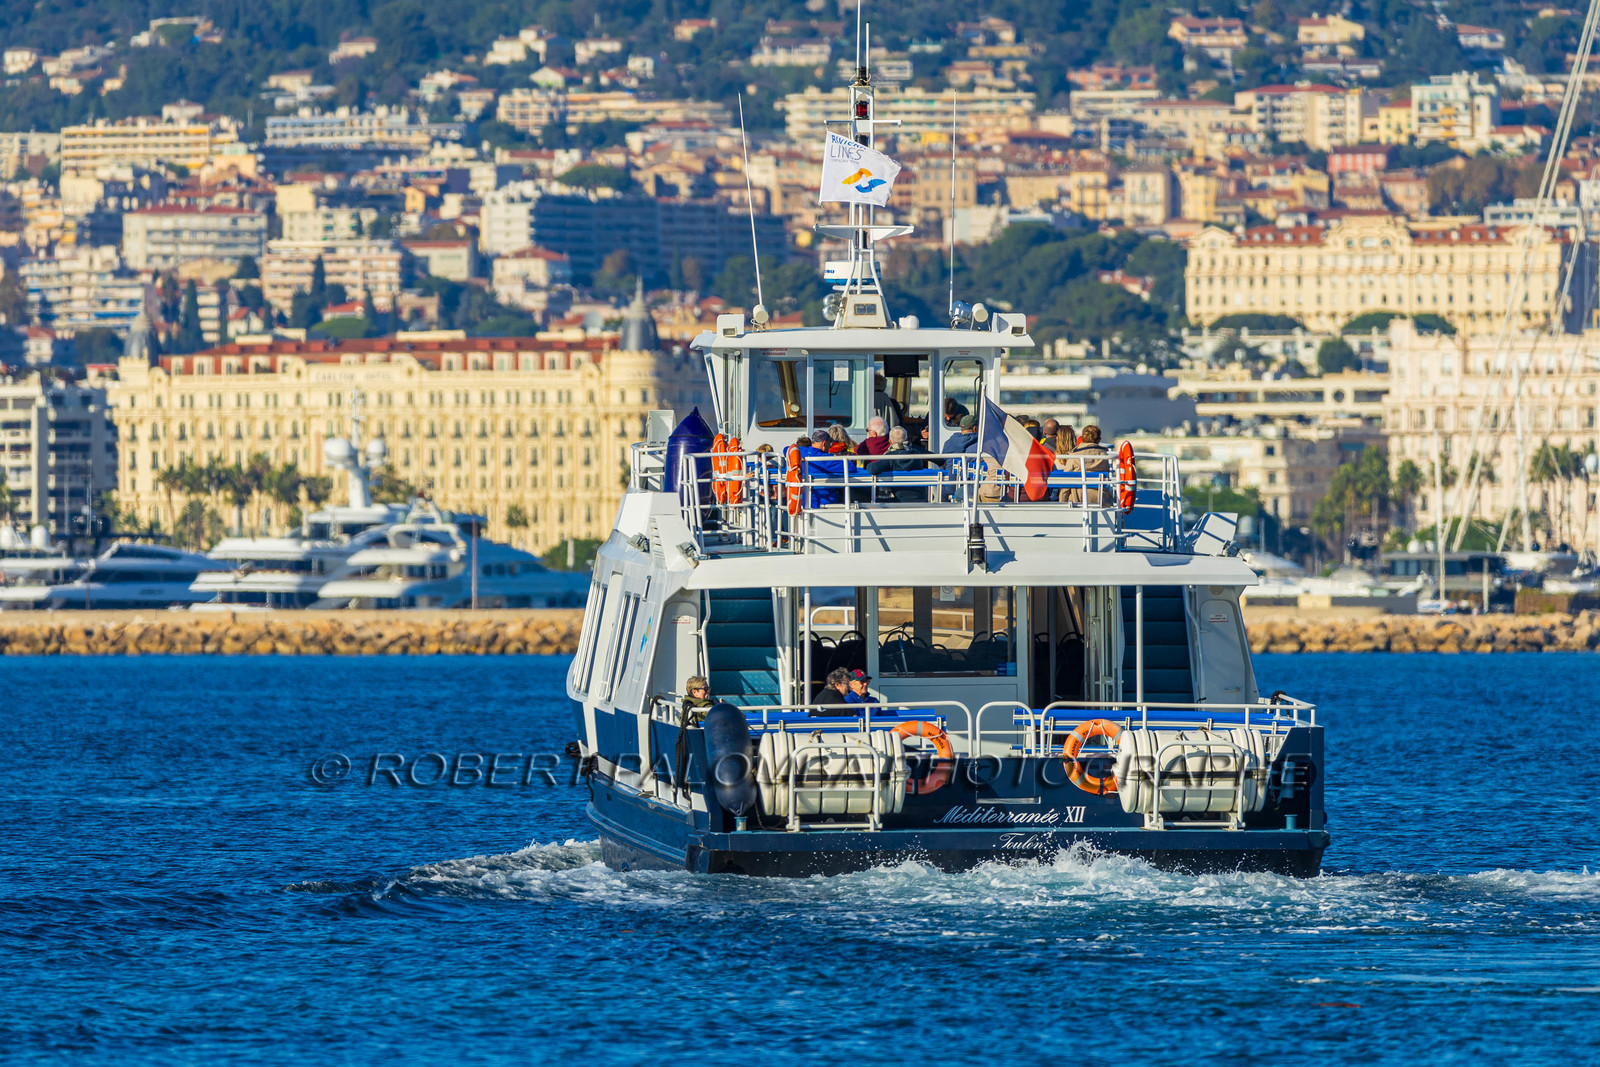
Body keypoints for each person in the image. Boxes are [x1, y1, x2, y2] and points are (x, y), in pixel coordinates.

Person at [866, 426, 930, 502]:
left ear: (890, 442)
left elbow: (872, 469)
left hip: (900, 501)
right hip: (921, 500)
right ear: (906, 439)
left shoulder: (891, 457)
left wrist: (868, 465)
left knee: (874, 501)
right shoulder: (916, 454)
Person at [1063, 424, 1111, 506]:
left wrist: (1062, 501)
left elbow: (1066, 481)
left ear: (1082, 438)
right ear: (1099, 440)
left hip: (1077, 499)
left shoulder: (1074, 455)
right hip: (1100, 499)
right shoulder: (1105, 456)